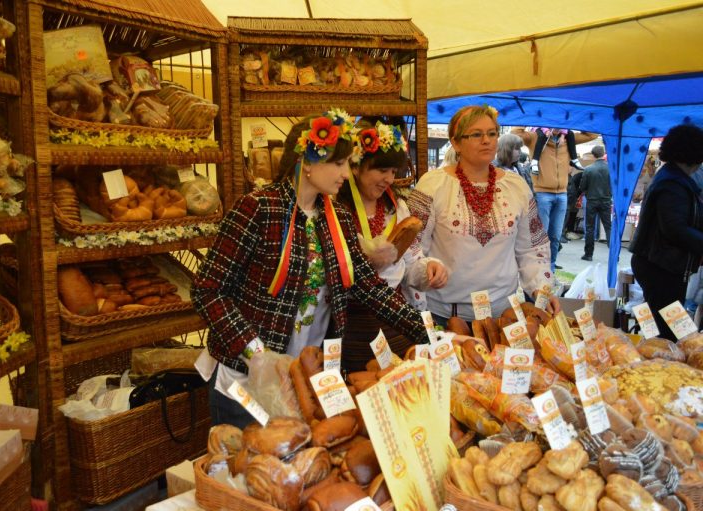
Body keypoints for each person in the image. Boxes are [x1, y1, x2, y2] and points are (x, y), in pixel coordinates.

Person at [192, 110, 430, 427]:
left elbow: (369, 288)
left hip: (306, 377)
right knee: (247, 469)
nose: (347, 173)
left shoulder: (338, 218)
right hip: (245, 378)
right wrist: (255, 352)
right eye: (339, 162)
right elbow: (208, 289)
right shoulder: (258, 208)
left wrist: (429, 333)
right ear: (307, 161)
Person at [407, 105, 560, 322]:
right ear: (456, 142)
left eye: (492, 133)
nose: (486, 140)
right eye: (476, 134)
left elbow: (532, 248)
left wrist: (542, 292)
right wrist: (425, 270)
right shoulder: (433, 185)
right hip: (444, 315)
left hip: (503, 316)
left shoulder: (516, 186)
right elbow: (411, 248)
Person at [336, 118, 447, 371]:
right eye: (381, 170)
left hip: (396, 321)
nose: (388, 179)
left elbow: (411, 265)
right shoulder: (335, 210)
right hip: (351, 324)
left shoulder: (396, 208)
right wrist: (364, 264)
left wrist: (429, 269)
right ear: (356, 166)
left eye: (394, 172)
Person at [630, 124, 703, 341]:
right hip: (661, 266)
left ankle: (658, 361)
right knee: (668, 334)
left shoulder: (675, 179)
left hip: (661, 264)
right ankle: (660, 368)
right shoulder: (673, 183)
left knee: (664, 329)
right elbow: (674, 228)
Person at [512, 127, 598, 271]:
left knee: (555, 237)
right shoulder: (535, 137)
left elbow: (592, 133)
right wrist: (534, 115)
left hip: (562, 194)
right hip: (542, 193)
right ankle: (538, 269)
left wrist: (570, 120)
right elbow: (515, 134)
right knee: (541, 236)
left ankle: (550, 269)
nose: (557, 125)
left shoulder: (568, 138)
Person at [580, 145, 612, 261]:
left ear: (593, 155)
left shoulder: (588, 169)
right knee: (608, 227)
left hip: (592, 200)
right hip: (606, 200)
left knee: (589, 228)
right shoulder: (611, 168)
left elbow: (582, 186)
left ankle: (588, 254)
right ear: (603, 154)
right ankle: (614, 254)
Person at [562, 164, 584, 242]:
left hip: (570, 200)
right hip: (567, 201)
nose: (572, 169)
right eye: (571, 167)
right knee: (565, 218)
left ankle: (564, 234)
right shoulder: (567, 177)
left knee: (567, 217)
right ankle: (563, 234)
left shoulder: (571, 177)